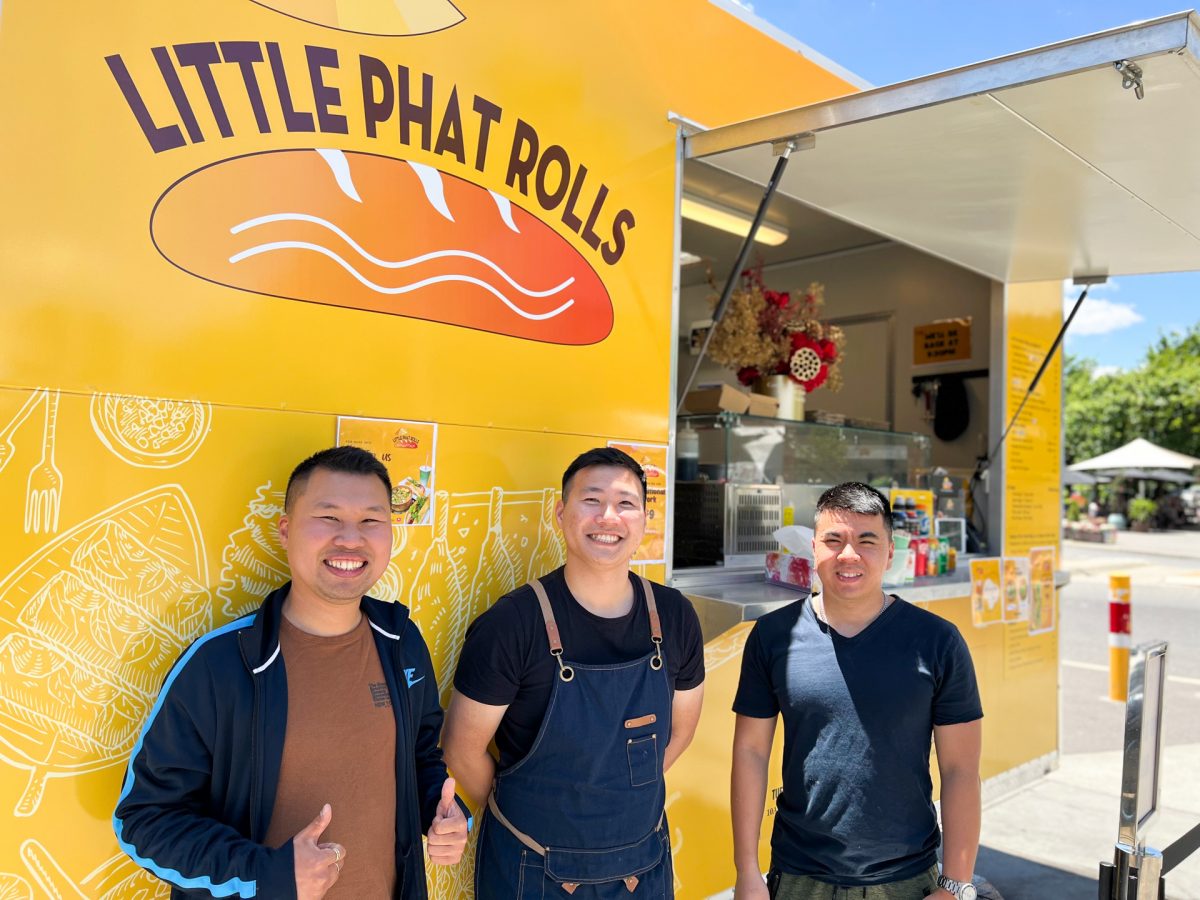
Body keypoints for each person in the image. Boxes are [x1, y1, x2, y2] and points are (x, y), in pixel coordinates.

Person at [113, 446, 469, 899]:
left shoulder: (401, 642)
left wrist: (444, 813)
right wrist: (267, 872)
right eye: (328, 517)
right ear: (285, 530)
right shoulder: (220, 664)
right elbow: (145, 820)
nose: (350, 539)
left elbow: (419, 758)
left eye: (371, 521)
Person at [443, 447, 706, 898]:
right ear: (561, 514)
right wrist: (533, 816)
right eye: (591, 500)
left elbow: (680, 731)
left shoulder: (675, 615)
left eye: (626, 504)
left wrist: (616, 803)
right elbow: (461, 748)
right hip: (531, 867)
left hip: (643, 866)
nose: (609, 516)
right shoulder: (512, 624)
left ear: (645, 520)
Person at [731, 482, 983, 900]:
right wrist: (746, 871)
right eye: (834, 540)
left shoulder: (937, 641)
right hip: (798, 876)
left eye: (867, 540)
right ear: (813, 549)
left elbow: (961, 770)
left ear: (889, 553)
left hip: (906, 878)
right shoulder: (774, 636)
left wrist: (956, 885)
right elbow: (750, 753)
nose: (849, 555)